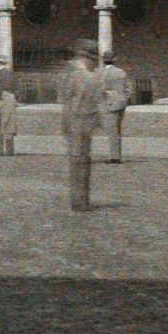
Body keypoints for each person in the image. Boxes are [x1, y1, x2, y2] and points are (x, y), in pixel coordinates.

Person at [58, 42, 103, 213]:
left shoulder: (71, 76)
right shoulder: (90, 78)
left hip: (73, 124)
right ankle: (81, 202)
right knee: (82, 163)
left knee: (76, 163)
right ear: (88, 58)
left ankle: (77, 201)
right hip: (82, 124)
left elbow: (66, 101)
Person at [97, 52, 130, 163]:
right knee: (117, 130)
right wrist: (123, 99)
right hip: (120, 104)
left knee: (111, 132)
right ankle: (117, 155)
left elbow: (98, 89)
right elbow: (128, 89)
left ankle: (114, 157)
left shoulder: (100, 73)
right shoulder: (121, 72)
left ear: (103, 60)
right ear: (115, 59)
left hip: (107, 104)